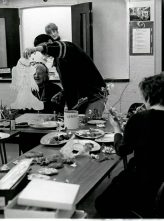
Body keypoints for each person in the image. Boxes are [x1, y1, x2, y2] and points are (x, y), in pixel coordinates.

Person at [95, 73, 164, 218]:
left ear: (149, 95)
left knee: (101, 203)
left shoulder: (139, 119)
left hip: (142, 181)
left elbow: (122, 150)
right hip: (160, 183)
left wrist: (117, 130)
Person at [23, 34, 107, 117]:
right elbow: (74, 81)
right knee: (79, 128)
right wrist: (63, 93)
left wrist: (35, 49)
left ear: (50, 42)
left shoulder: (68, 47)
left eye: (41, 49)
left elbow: (58, 47)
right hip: (83, 99)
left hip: (94, 96)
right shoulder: (59, 61)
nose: (43, 53)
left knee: (89, 126)